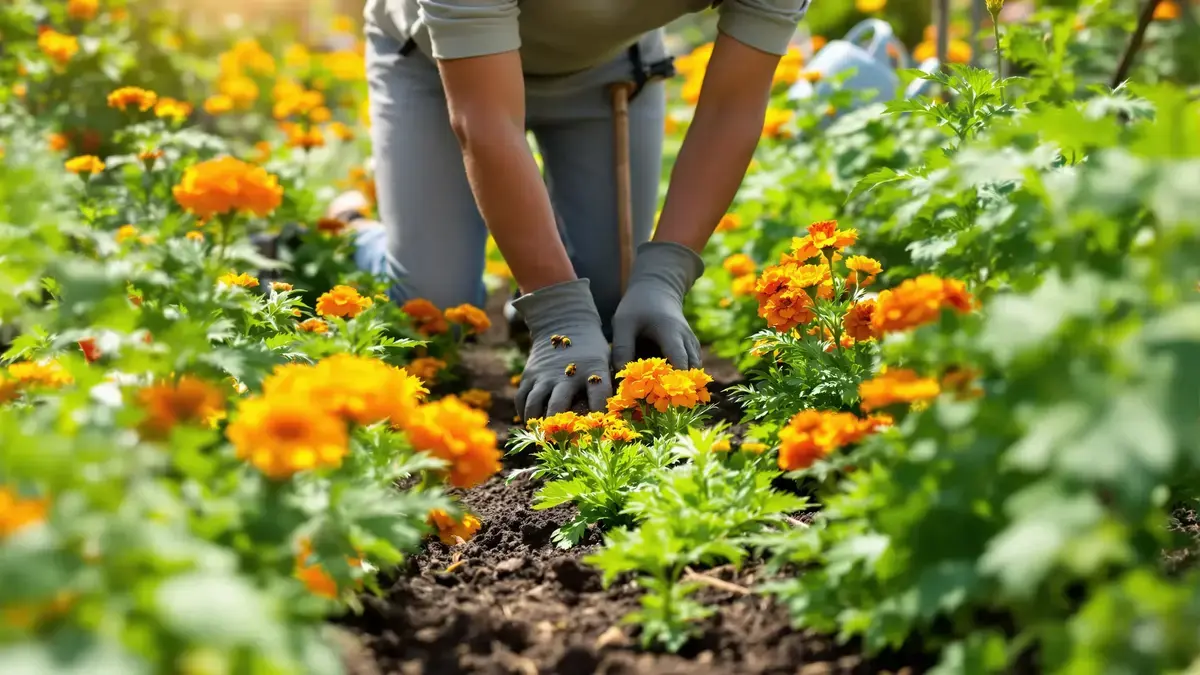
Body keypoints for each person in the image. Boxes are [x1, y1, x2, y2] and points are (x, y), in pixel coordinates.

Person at [350, 0, 812, 420]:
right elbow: (484, 120)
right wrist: (558, 313)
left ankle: (528, 286)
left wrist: (665, 276)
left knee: (611, 306)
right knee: (434, 313)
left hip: (604, 73)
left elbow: (732, 106)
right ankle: (353, 231)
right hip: (437, 68)